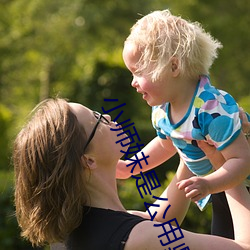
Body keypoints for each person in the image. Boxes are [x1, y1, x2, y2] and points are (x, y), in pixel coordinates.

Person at [13, 98, 250, 250]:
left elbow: (162, 221)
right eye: (97, 120)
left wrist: (190, 137)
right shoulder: (140, 238)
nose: (107, 117)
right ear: (88, 160)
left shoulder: (78, 232)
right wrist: (226, 165)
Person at [118, 9, 250, 239]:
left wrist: (208, 184)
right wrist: (132, 166)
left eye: (138, 72)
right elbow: (167, 144)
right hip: (219, 189)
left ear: (173, 67)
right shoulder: (162, 109)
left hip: (239, 186)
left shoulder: (211, 109)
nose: (132, 83)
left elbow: (242, 160)